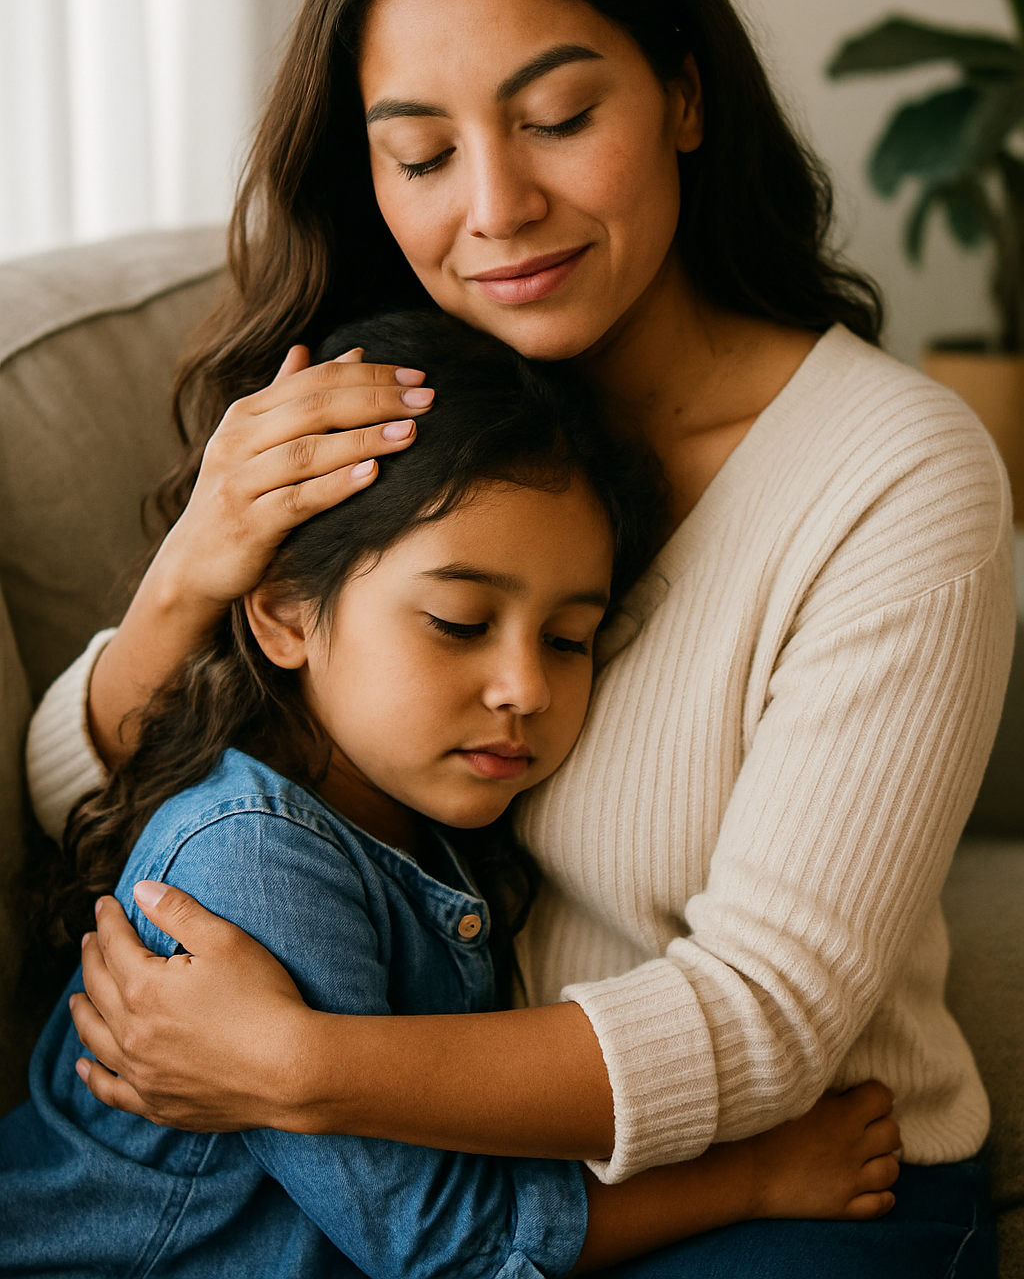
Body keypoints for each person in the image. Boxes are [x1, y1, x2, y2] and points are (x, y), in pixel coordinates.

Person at [28, 0, 1012, 1276]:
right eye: (420, 153)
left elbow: (770, 1019)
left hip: (795, 1172)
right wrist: (191, 580)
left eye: (557, 120)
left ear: (683, 92)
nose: (495, 210)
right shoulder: (408, 417)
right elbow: (89, 811)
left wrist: (295, 1070)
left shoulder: (893, 470)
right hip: (445, 1181)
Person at [2, 311, 902, 1278]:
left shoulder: (419, 818)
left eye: (569, 640)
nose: (527, 687)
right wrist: (751, 1179)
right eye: (459, 621)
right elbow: (444, 1241)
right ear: (284, 612)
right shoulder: (249, 863)